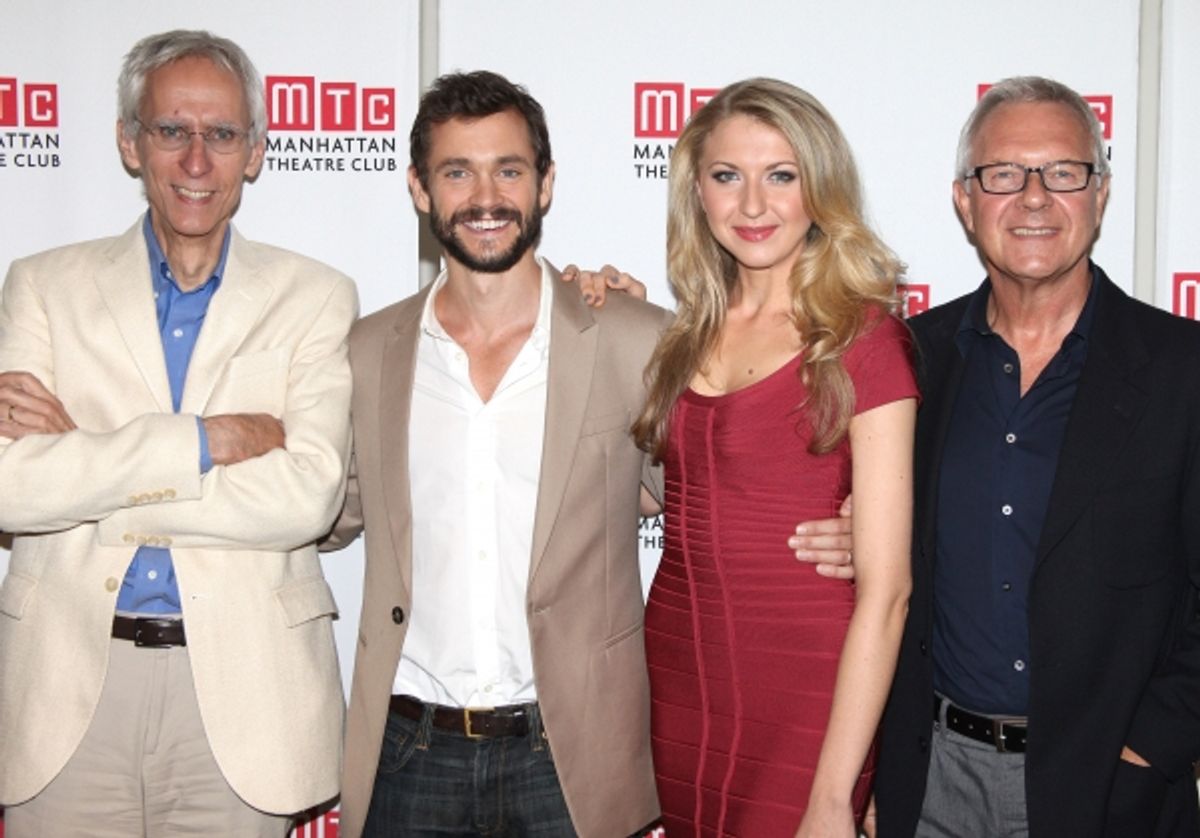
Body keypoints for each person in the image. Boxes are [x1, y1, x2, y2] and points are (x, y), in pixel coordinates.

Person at [794, 76, 1200, 837]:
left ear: (1102, 193)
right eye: (1004, 175)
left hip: (1109, 790)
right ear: (964, 201)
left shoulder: (1184, 368)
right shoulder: (911, 358)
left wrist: (1150, 747)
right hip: (933, 778)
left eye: (1064, 172)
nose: (1035, 198)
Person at [0, 30, 356, 836]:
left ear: (255, 152)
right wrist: (201, 443)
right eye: (171, 131)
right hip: (64, 699)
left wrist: (88, 461)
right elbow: (11, 487)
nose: (197, 160)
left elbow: (306, 496)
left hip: (244, 699)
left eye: (221, 135)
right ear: (131, 143)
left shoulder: (316, 296)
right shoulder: (42, 285)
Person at [322, 70, 669, 838]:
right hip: (408, 753)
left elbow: (704, 503)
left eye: (508, 169)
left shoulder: (633, 339)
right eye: (457, 171)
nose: (486, 197)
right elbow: (322, 510)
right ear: (419, 189)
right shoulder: (366, 352)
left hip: (570, 754)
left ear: (546, 185)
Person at [632, 77, 916, 837]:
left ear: (818, 187)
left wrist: (831, 801)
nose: (753, 205)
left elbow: (887, 594)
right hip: (680, 676)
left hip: (810, 686)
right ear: (697, 190)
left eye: (780, 176)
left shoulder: (863, 338)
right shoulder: (682, 332)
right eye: (728, 176)